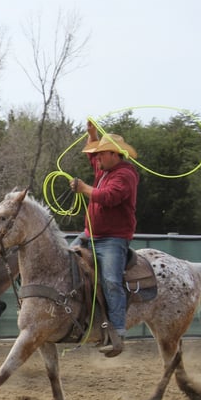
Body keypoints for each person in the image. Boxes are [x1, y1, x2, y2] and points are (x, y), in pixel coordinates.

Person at [70, 120, 139, 357]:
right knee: (65, 263)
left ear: (113, 154)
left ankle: (118, 331)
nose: (96, 158)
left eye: (101, 153)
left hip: (113, 239)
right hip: (90, 235)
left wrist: (84, 189)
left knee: (110, 280)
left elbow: (108, 197)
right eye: (97, 154)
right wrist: (92, 134)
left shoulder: (126, 175)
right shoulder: (104, 168)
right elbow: (91, 155)